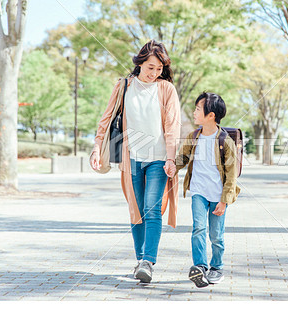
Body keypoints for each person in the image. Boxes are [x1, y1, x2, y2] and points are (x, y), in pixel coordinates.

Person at [89, 40, 181, 283]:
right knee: (136, 210)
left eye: (159, 69)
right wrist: (97, 147)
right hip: (131, 159)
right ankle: (141, 260)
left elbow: (172, 126)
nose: (154, 73)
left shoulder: (166, 89)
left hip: (159, 159)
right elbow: (106, 119)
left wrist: (171, 158)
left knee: (152, 209)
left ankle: (148, 261)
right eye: (150, 67)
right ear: (140, 62)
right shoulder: (124, 86)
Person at [174, 92, 240, 288]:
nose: (194, 112)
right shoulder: (193, 136)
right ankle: (200, 267)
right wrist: (171, 166)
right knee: (198, 229)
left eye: (197, 109)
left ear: (211, 115)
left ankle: (216, 267)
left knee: (216, 235)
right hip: (198, 192)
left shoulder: (224, 141)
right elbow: (182, 159)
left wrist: (224, 200)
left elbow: (231, 175)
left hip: (218, 196)